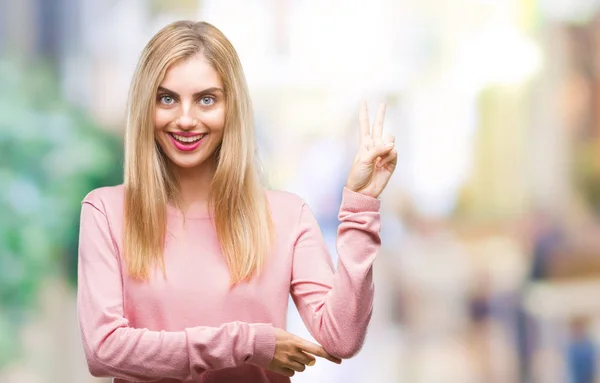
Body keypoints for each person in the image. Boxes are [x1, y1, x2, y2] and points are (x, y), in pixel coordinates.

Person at [76, 20, 397, 383]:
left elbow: (342, 338)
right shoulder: (105, 212)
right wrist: (247, 342)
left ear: (232, 108)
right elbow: (103, 350)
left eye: (206, 99)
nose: (185, 119)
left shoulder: (288, 216)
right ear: (145, 107)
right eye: (167, 98)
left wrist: (360, 207)